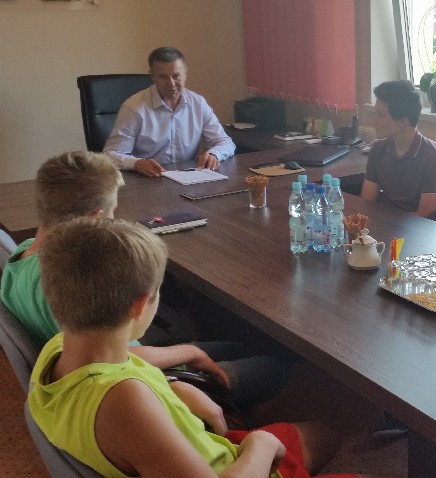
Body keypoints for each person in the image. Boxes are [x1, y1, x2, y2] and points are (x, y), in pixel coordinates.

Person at [29, 216, 381, 477]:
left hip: (209, 449)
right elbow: (126, 396)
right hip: (236, 465)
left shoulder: (60, 348)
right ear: (140, 305)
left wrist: (184, 364)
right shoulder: (125, 401)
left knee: (324, 436)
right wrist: (261, 445)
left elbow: (130, 358)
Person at [0, 151, 287, 408]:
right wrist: (188, 352)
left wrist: (190, 351)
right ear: (94, 218)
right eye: (112, 213)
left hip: (110, 369)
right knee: (275, 368)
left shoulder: (24, 255)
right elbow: (119, 358)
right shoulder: (67, 281)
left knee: (237, 347)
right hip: (145, 387)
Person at [104, 46, 236, 178]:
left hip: (189, 177)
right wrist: (137, 163)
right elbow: (110, 155)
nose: (171, 84)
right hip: (148, 179)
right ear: (152, 76)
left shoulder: (198, 103)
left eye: (176, 76)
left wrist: (214, 154)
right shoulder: (133, 107)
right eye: (163, 77)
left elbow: (225, 142)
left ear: (185, 73)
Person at [361, 80, 436, 218]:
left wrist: (384, 222)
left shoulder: (434, 157)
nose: (374, 120)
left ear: (402, 122)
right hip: (382, 224)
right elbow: (367, 204)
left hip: (413, 229)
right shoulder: (378, 149)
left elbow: (423, 218)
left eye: (380, 114)